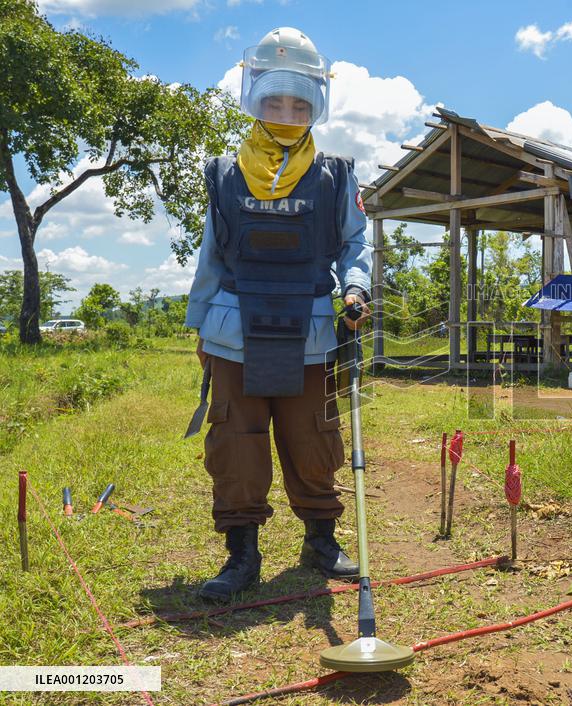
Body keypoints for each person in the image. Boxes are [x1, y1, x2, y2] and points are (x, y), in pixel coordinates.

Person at [183, 27, 373, 602]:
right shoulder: (223, 173)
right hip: (234, 331)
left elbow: (355, 244)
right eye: (274, 100)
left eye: (299, 101)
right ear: (253, 97)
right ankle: (241, 556)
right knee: (236, 443)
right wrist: (199, 328)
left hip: (311, 331)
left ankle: (321, 541)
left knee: (313, 437)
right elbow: (211, 256)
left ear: (316, 102)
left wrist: (356, 290)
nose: (287, 112)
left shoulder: (337, 174)